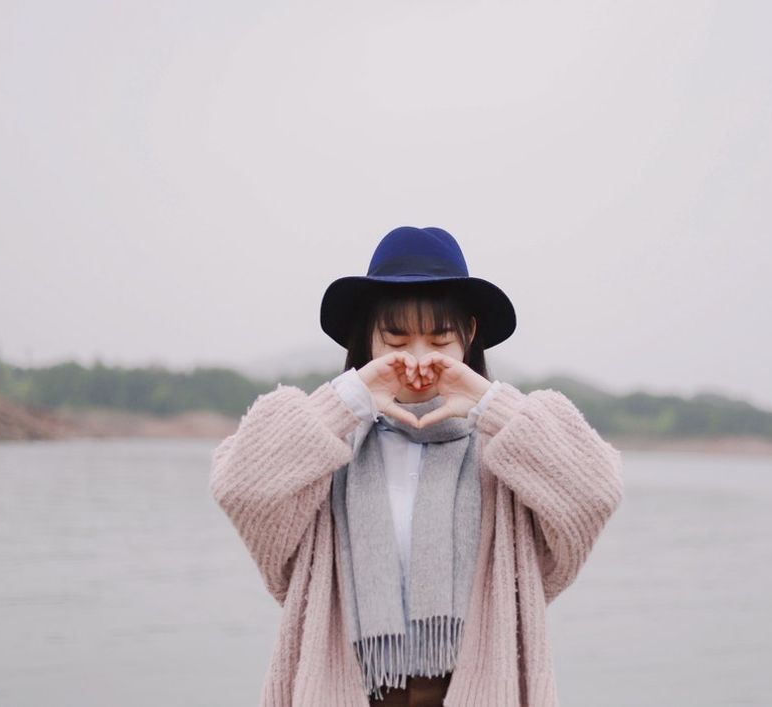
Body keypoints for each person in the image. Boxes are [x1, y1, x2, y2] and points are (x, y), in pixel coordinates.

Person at [209, 226, 624, 706]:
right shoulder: (328, 444)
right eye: (396, 339)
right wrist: (346, 401)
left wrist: (490, 403)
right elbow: (239, 486)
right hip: (350, 686)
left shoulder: (505, 449)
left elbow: (597, 488)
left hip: (478, 687)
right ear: (369, 338)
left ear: (469, 335)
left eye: (440, 340)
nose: (419, 360)